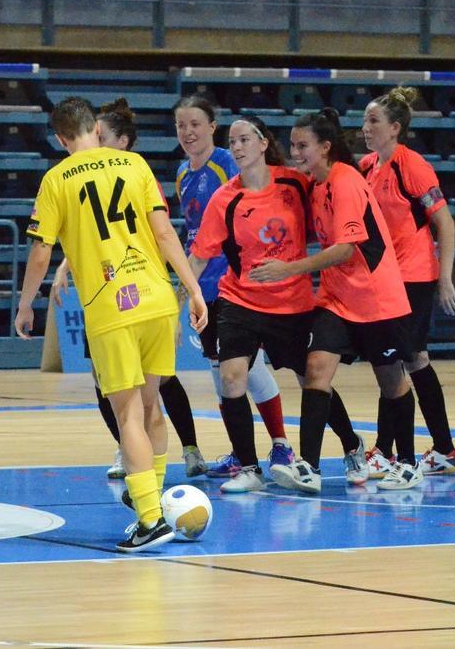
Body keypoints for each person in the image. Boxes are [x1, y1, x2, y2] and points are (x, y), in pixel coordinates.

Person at [15, 97, 208, 553]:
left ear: (61, 139)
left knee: (128, 416)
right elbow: (164, 233)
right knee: (152, 407)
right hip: (158, 298)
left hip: (111, 308)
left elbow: (41, 252)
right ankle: (154, 504)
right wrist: (193, 290)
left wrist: (26, 304)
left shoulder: (55, 180)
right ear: (96, 131)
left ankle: (150, 518)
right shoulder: (135, 165)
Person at [189, 115, 357, 493]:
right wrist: (189, 293)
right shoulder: (225, 198)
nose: (237, 147)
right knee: (232, 377)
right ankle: (248, 467)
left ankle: (352, 446)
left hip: (291, 304)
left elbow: (330, 225)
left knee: (313, 380)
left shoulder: (295, 184)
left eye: (245, 139)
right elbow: (200, 256)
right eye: (232, 142)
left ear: (264, 143)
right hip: (240, 299)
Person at [252, 108, 415, 493]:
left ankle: (407, 462)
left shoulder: (345, 181)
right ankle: (309, 466)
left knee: (391, 381)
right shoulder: (314, 184)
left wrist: (289, 270)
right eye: (291, 145)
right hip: (337, 296)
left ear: (325, 147)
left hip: (376, 298)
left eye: (302, 146)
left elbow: (344, 250)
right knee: (316, 368)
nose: (295, 153)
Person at [51, 98, 206, 480]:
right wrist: (66, 265)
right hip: (121, 292)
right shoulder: (88, 176)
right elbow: (97, 228)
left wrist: (192, 286)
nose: (96, 140)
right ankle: (137, 458)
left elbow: (156, 231)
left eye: (101, 135)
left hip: (136, 290)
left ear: (120, 141)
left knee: (151, 393)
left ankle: (179, 455)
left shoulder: (136, 171)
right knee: (115, 389)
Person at [173, 95, 294, 475]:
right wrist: (186, 287)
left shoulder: (227, 163)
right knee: (219, 371)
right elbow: (195, 235)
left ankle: (281, 445)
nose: (188, 132)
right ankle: (242, 453)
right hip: (203, 287)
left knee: (246, 369)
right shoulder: (182, 174)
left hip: (234, 285)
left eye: (195, 124)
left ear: (212, 127)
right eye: (181, 126)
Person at [359, 86, 455, 484]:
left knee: (397, 361)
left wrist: (445, 277)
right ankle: (444, 449)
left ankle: (386, 451)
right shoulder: (368, 166)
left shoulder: (413, 166)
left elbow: (445, 222)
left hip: (415, 276)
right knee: (411, 361)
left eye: (374, 121)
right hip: (384, 279)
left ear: (395, 128)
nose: (366, 127)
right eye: (366, 120)